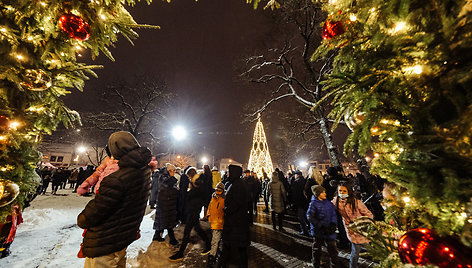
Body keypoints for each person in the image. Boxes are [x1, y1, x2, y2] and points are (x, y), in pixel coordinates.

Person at [77, 131, 152, 268]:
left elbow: (94, 212)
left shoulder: (117, 178)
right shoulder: (144, 171)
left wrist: (82, 218)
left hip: (105, 243)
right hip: (122, 237)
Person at [169, 167, 211, 261]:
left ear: (191, 175)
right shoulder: (196, 182)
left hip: (194, 209)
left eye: (188, 176)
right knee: (197, 228)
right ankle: (208, 244)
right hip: (193, 208)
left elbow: (198, 195)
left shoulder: (198, 182)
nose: (188, 178)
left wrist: (189, 195)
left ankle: (180, 253)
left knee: (187, 231)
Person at [333, 183, 374, 268]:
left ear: (348, 191)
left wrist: (363, 223)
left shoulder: (356, 202)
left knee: (368, 246)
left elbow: (368, 214)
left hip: (362, 228)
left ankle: (377, 259)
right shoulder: (336, 201)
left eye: (344, 191)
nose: (342, 192)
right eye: (340, 190)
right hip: (351, 229)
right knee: (355, 251)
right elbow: (328, 207)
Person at [220, 165, 249, 268]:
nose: (227, 173)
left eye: (229, 171)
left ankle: (223, 264)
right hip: (237, 222)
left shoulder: (238, 185)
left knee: (230, 246)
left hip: (236, 222)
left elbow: (236, 203)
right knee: (238, 247)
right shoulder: (237, 183)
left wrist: (226, 209)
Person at [307, 185, 338, 268]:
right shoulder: (313, 204)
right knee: (317, 249)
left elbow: (333, 215)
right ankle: (316, 263)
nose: (325, 193)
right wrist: (320, 226)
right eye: (323, 192)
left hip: (329, 230)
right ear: (318, 194)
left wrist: (333, 224)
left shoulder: (328, 203)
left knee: (332, 248)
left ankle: (334, 263)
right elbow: (310, 217)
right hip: (319, 231)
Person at [152, 163, 178, 246]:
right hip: (165, 202)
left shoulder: (166, 177)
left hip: (165, 202)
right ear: (169, 170)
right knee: (167, 221)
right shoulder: (164, 177)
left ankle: (157, 235)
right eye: (172, 170)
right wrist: (175, 189)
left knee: (163, 220)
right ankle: (172, 239)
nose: (174, 172)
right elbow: (167, 189)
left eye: (174, 170)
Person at [206, 182, 225, 267]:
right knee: (215, 240)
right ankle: (213, 255)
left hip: (221, 223)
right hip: (214, 223)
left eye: (219, 191)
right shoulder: (213, 198)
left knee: (219, 240)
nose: (217, 192)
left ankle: (215, 255)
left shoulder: (224, 199)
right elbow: (210, 207)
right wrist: (208, 216)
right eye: (217, 190)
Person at [290, 171, 310, 236]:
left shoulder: (296, 182)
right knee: (307, 216)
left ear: (297, 175)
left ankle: (304, 230)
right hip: (306, 202)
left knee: (301, 217)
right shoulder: (305, 181)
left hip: (299, 202)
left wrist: (294, 202)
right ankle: (310, 229)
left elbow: (294, 193)